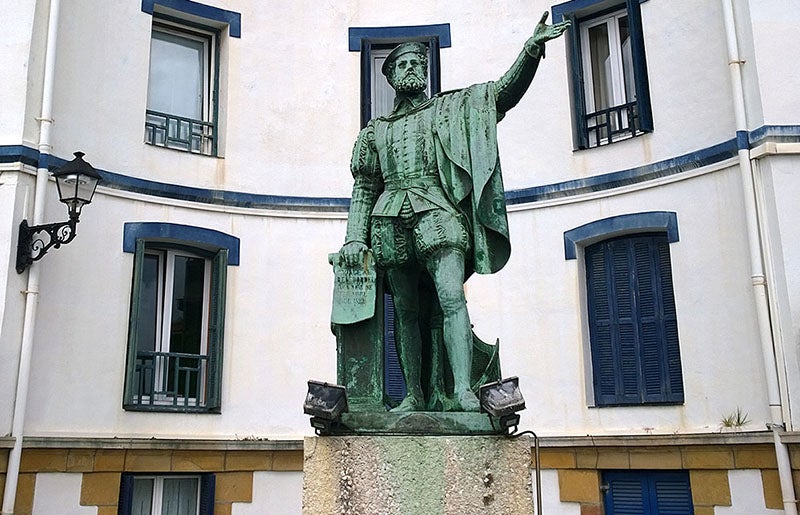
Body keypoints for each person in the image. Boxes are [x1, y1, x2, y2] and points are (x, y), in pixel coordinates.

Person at [338, 12, 570, 412]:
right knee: (405, 312)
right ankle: (413, 395)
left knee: (451, 300)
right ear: (389, 77)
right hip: (388, 220)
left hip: (437, 214)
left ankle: (461, 390)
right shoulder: (373, 132)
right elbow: (363, 188)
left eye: (418, 64)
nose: (412, 70)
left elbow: (500, 95)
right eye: (403, 65)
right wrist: (355, 239)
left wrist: (531, 51)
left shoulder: (448, 109)